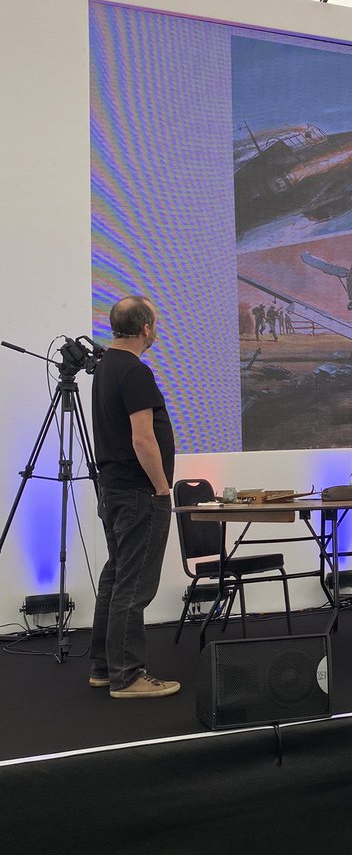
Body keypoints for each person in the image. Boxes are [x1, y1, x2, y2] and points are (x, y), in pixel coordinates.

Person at [89, 296, 180, 699]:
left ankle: (104, 668)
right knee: (134, 584)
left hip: (113, 489)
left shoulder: (106, 367)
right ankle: (127, 676)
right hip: (139, 492)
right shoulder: (135, 372)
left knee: (115, 577)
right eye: (155, 323)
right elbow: (143, 438)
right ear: (146, 328)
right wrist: (162, 488)